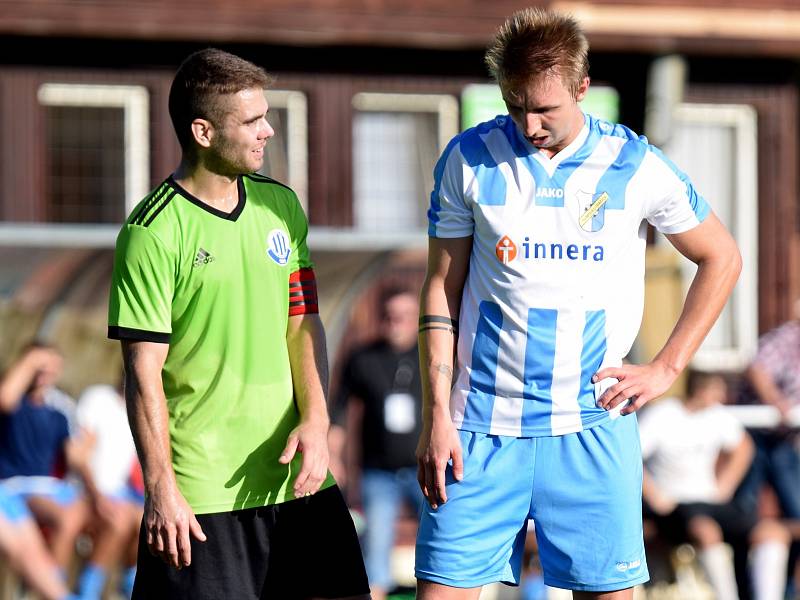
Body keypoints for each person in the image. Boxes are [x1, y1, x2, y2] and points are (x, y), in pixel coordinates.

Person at [414, 7, 742, 600]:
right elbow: (441, 287)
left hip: (592, 427)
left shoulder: (635, 163)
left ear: (582, 89)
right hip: (479, 431)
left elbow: (721, 256)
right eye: (515, 105)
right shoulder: (467, 158)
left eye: (545, 108)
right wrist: (437, 412)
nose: (529, 123)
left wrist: (667, 366)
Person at [107, 48, 369, 600]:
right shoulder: (152, 232)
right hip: (204, 496)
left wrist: (317, 422)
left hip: (298, 477)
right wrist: (160, 486)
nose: (268, 131)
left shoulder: (281, 207)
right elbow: (142, 372)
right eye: (252, 121)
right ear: (202, 131)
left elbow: (304, 324)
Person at [639, 371, 790, 600]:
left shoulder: (716, 415)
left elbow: (743, 447)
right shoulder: (662, 415)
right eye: (716, 390)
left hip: (710, 500)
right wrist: (654, 495)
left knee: (772, 532)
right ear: (700, 390)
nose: (722, 396)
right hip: (674, 505)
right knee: (706, 530)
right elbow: (631, 459)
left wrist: (725, 486)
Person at [330, 285, 425, 600]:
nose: (396, 322)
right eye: (390, 316)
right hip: (378, 472)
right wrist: (334, 458)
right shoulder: (363, 358)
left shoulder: (431, 356)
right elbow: (339, 412)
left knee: (441, 543)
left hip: (424, 469)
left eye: (404, 316)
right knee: (376, 549)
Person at [0, 344, 91, 572]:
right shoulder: (13, 401)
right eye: (39, 368)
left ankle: (88, 585)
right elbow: (6, 398)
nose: (45, 374)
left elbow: (75, 458)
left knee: (106, 515)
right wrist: (32, 360)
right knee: (68, 517)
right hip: (15, 486)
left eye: (51, 368)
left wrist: (89, 443)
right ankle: (53, 585)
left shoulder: (58, 412)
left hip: (49, 487)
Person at [737, 306, 800, 596]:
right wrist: (776, 401)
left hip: (786, 440)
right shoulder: (787, 338)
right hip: (757, 438)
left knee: (794, 515)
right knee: (746, 513)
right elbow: (757, 369)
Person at [74, 383, 144, 599]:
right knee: (119, 521)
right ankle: (87, 590)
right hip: (86, 490)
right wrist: (97, 495)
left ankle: (131, 585)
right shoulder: (99, 398)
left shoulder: (139, 409)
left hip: (121, 494)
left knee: (146, 521)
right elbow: (79, 457)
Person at [0, 486, 80, 600]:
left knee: (34, 551)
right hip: (17, 488)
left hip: (5, 495)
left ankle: (64, 595)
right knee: (18, 550)